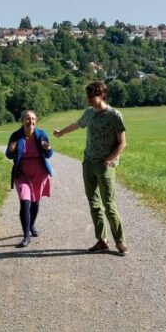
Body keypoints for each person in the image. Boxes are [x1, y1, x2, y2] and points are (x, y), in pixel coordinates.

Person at [53, 81, 128, 255]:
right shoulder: (88, 113)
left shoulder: (114, 115)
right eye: (87, 96)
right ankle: (101, 240)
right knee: (94, 203)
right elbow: (76, 124)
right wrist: (61, 133)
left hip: (105, 166)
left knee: (109, 204)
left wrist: (109, 160)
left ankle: (120, 241)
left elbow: (122, 143)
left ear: (101, 95)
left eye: (90, 96)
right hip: (88, 164)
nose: (87, 99)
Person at [5, 110, 54, 248]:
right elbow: (9, 155)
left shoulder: (41, 134)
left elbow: (49, 154)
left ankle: (31, 225)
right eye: (27, 118)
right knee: (25, 201)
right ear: (22, 121)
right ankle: (26, 236)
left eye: (33, 119)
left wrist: (48, 147)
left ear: (35, 121)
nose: (30, 121)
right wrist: (11, 149)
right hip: (22, 175)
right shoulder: (16, 136)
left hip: (39, 174)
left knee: (35, 202)